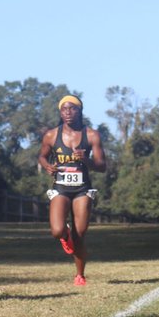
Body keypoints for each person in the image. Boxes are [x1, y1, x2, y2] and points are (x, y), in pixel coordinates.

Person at [37, 95, 106, 287]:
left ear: (79, 110)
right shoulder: (51, 135)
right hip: (61, 188)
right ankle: (65, 234)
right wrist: (47, 166)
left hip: (82, 189)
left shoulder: (92, 135)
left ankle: (80, 275)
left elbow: (102, 166)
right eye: (64, 109)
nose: (68, 112)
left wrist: (87, 160)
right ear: (60, 112)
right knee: (57, 231)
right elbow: (42, 156)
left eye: (72, 108)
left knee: (80, 234)